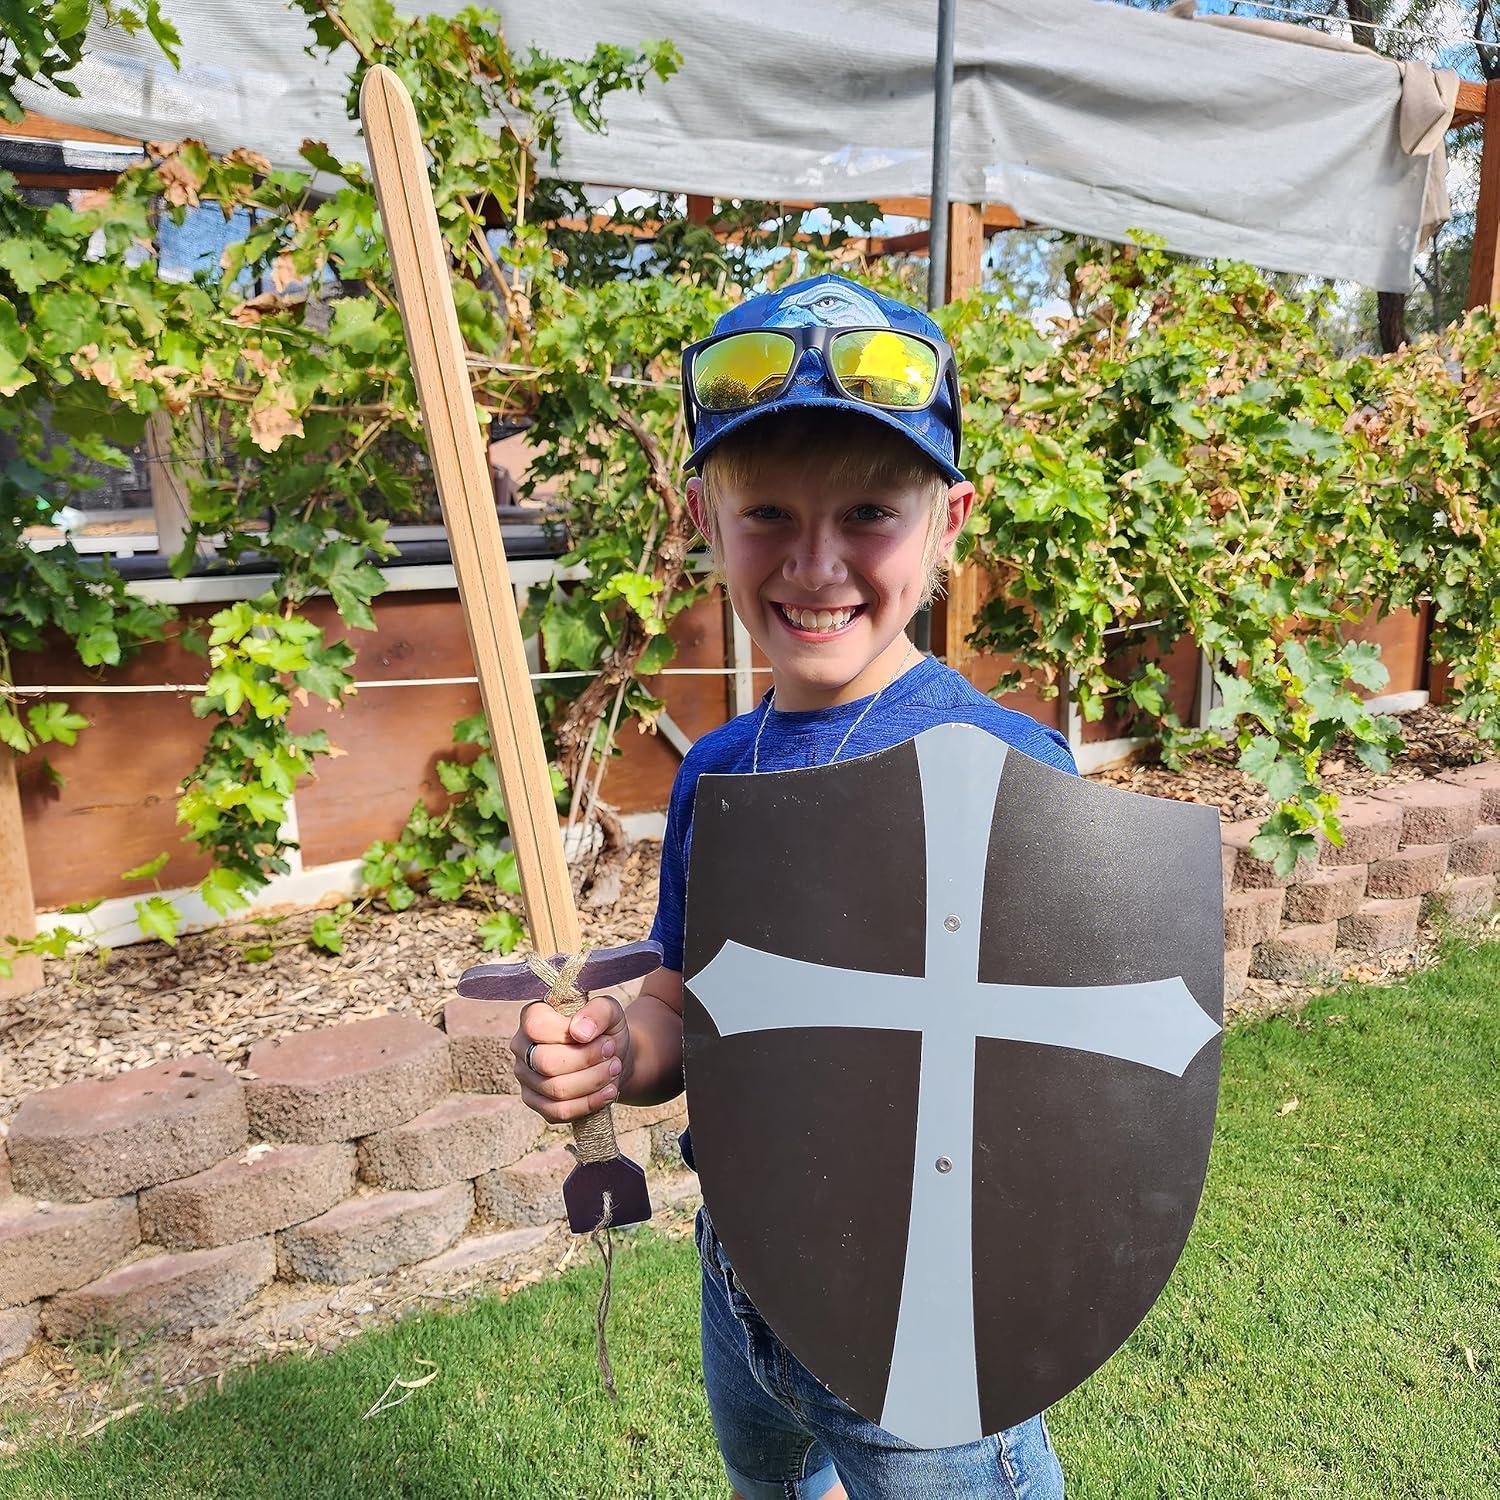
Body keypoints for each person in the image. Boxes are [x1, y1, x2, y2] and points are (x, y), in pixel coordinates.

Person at [512, 274, 1073, 1499]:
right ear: (706, 523)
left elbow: (1060, 1089)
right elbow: (681, 1004)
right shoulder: (719, 770)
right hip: (744, 1278)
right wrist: (615, 1050)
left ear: (949, 519)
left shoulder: (1008, 775)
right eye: (766, 511)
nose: (815, 563)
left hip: (922, 1314)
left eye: (870, 509)